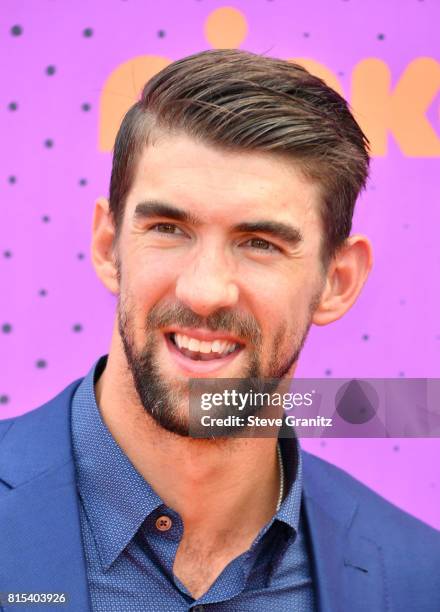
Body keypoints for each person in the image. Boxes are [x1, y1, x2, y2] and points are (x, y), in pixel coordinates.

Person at [1, 49, 439, 612]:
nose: (205, 290)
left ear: (337, 280)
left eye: (260, 243)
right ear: (109, 246)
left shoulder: (415, 579)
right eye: (168, 228)